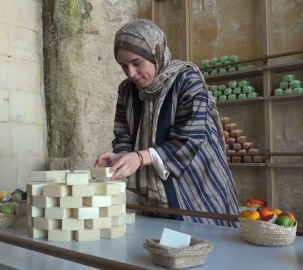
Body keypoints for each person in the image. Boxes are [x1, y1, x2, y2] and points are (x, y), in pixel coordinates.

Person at [94, 19, 239, 227]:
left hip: (199, 187)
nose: (131, 73)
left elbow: (190, 140)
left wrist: (139, 157)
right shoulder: (127, 90)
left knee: (205, 249)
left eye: (137, 63)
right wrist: (122, 157)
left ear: (156, 54)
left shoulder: (187, 80)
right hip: (155, 197)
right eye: (123, 66)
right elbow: (123, 133)